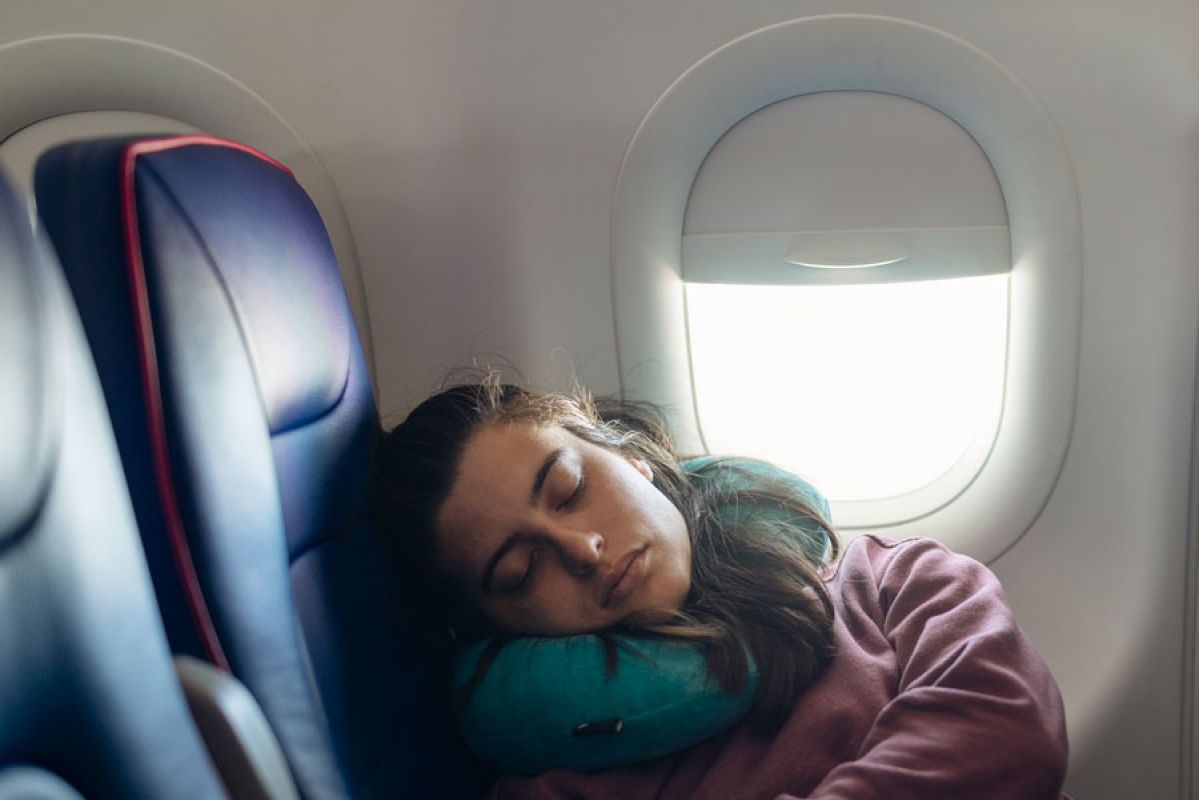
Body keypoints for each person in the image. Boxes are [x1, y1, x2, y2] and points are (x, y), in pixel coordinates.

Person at [374, 376, 1069, 799]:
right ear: (499, 627)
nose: (581, 550)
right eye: (521, 574)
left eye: (570, 489)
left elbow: (1007, 732)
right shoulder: (559, 774)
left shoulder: (898, 581)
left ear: (628, 456)